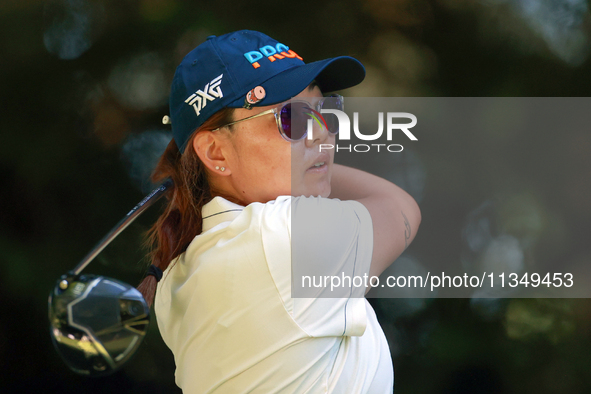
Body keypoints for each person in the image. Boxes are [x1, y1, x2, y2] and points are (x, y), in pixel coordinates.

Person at [137, 30, 421, 393]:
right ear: (216, 153)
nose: (323, 135)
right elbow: (399, 208)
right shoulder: (282, 238)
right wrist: (311, 165)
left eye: (324, 111)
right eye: (290, 118)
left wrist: (305, 162)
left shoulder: (178, 273)